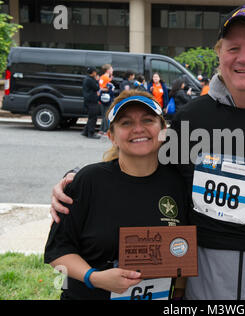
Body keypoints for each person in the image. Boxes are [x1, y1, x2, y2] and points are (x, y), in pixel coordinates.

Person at [50, 5, 245, 300]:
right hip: (204, 280)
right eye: (233, 48)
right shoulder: (193, 118)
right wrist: (77, 180)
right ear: (220, 54)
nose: (243, 58)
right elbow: (141, 161)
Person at [44, 90, 189, 300]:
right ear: (111, 136)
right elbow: (57, 250)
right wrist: (94, 277)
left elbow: (185, 246)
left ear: (163, 130)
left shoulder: (178, 183)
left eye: (148, 120)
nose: (138, 129)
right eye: (126, 123)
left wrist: (180, 292)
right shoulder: (88, 181)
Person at [81, 67, 101, 139]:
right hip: (91, 100)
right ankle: (91, 133)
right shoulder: (90, 80)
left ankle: (85, 131)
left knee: (91, 116)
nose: (96, 73)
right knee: (93, 117)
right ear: (92, 73)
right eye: (95, 72)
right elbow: (97, 88)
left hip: (88, 100)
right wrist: (97, 80)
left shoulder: (87, 78)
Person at [98, 64, 114, 134]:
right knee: (107, 114)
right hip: (107, 98)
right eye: (111, 69)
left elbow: (101, 86)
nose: (112, 70)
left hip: (102, 98)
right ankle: (105, 130)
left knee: (104, 114)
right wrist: (111, 88)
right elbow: (103, 88)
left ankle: (102, 130)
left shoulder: (102, 77)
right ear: (108, 71)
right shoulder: (106, 78)